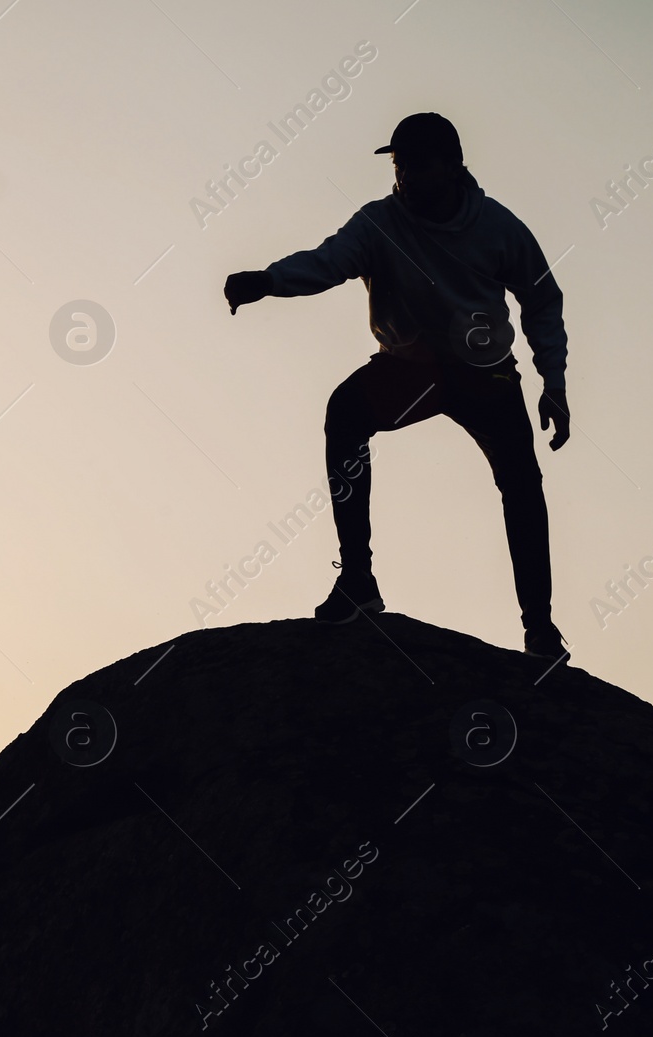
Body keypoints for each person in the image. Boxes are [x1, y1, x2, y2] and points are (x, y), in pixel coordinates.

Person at [224, 113, 571, 659]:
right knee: (345, 414)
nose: (404, 177)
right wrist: (269, 280)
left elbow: (542, 301)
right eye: (399, 165)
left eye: (416, 166)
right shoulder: (380, 223)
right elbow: (328, 262)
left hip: (485, 375)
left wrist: (554, 381)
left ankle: (541, 628)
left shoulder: (498, 229)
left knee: (522, 486)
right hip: (414, 368)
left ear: (454, 166)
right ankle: (358, 581)